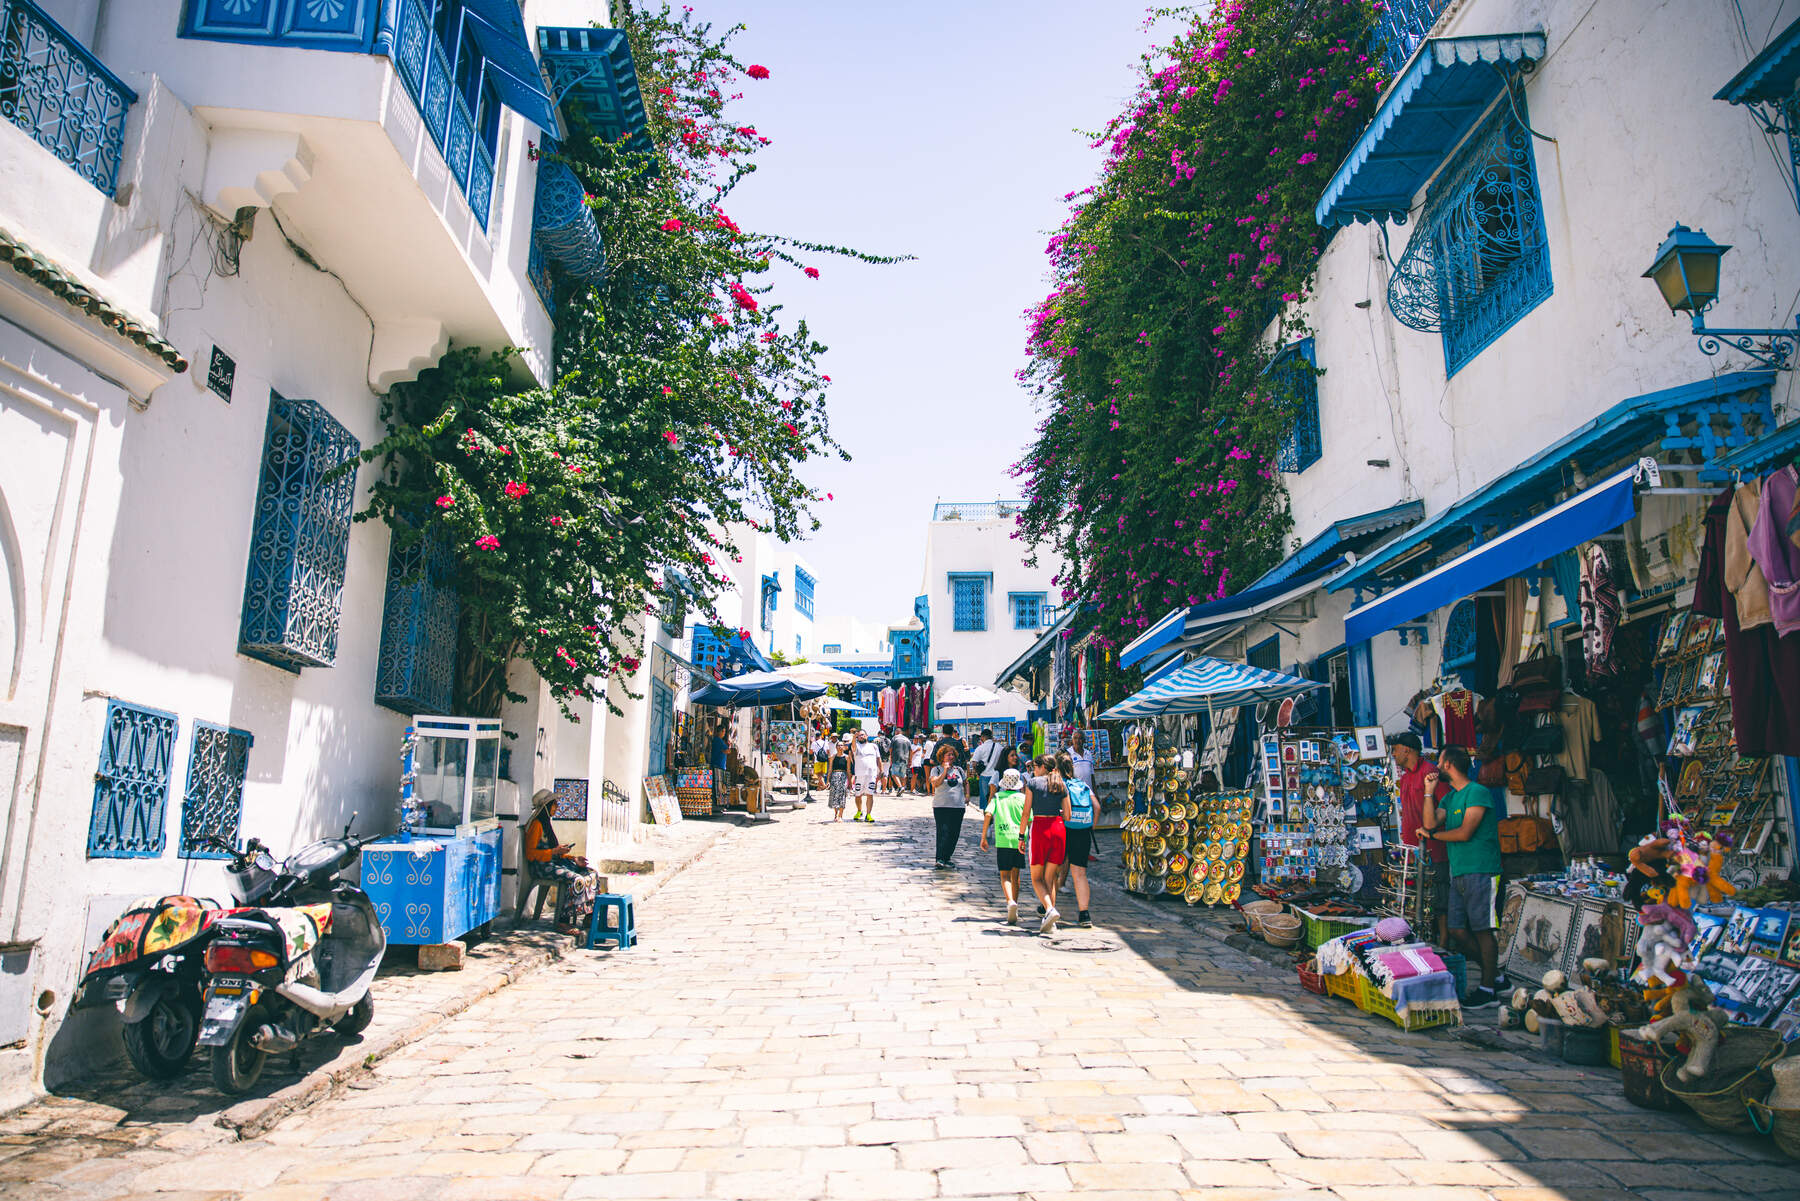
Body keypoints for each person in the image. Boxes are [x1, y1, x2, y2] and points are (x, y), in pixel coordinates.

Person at [1419, 745, 1505, 1007]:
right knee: (1457, 929)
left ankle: (1488, 988)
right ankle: (1496, 975)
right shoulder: (1450, 797)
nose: (1436, 765)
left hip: (1481, 868)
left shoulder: (1477, 792)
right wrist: (1428, 793)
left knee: (1482, 930)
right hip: (1460, 871)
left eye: (1440, 760)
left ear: (1448, 765)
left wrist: (1432, 836)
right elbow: (1430, 823)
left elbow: (1464, 833)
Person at [1391, 731, 1451, 947]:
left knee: (1439, 894)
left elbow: (1445, 806)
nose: (1394, 754)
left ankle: (1444, 939)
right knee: (1418, 895)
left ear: (1407, 750)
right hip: (1411, 848)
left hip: (1434, 846)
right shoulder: (1405, 778)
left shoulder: (1430, 773)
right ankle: (1425, 937)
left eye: (1396, 750)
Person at [522, 789, 600, 935]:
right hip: (541, 866)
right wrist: (554, 852)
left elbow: (555, 851)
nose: (557, 807)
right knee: (576, 879)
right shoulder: (536, 825)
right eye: (554, 804)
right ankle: (563, 921)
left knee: (591, 874)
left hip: (553, 862)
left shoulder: (546, 824)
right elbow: (531, 853)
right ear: (546, 806)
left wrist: (574, 859)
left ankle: (590, 916)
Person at [1025, 754, 1070, 933]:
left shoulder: (1033, 784)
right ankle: (1051, 921)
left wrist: (1021, 835)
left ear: (1043, 766)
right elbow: (1068, 815)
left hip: (1040, 828)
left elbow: (1026, 812)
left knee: (1036, 878)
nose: (1033, 770)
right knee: (1050, 879)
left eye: (1035, 766)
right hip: (1058, 828)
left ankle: (1050, 910)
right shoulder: (1060, 784)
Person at [982, 767, 1029, 923]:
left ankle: (1010, 902)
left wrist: (984, 837)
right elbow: (1029, 818)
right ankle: (1015, 903)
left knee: (1004, 875)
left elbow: (988, 813)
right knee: (1016, 875)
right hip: (1019, 840)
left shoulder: (998, 797)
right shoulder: (1023, 798)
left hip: (1003, 839)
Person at [1058, 751, 1097, 928]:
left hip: (1064, 830)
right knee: (1080, 874)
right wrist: (1091, 826)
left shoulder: (1059, 785)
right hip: (1083, 830)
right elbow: (1097, 806)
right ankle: (1084, 913)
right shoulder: (1082, 785)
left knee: (1052, 872)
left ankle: (1047, 906)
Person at [928, 742, 969, 869]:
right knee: (943, 832)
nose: (950, 757)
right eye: (948, 755)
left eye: (952, 755)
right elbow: (936, 783)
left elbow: (966, 783)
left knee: (954, 833)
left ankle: (948, 857)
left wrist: (967, 795)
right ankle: (940, 858)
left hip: (957, 806)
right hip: (942, 806)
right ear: (942, 756)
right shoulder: (936, 769)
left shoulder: (959, 770)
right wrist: (945, 771)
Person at [850, 727, 882, 822]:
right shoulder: (856, 746)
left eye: (862, 735)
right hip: (859, 774)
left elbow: (878, 759)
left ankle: (868, 814)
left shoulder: (874, 746)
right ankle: (859, 811)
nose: (861, 737)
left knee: (870, 794)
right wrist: (854, 738)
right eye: (859, 735)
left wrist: (881, 770)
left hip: (871, 774)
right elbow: (853, 746)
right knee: (858, 794)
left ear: (867, 736)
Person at [970, 729, 1006, 812]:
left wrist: (978, 772)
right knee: (997, 798)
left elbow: (974, 763)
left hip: (984, 776)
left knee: (985, 801)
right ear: (991, 736)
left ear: (982, 737)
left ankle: (987, 820)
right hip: (997, 776)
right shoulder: (999, 747)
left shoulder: (980, 748)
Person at [826, 738, 851, 821]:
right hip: (834, 776)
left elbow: (848, 770)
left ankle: (840, 815)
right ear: (836, 747)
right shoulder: (832, 757)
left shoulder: (847, 757)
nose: (840, 747)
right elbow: (830, 769)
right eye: (838, 745)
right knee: (834, 795)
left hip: (843, 776)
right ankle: (836, 814)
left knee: (842, 795)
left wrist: (850, 782)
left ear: (844, 747)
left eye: (841, 745)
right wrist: (828, 781)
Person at [709, 719, 730, 811]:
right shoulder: (718, 740)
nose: (724, 733)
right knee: (719, 787)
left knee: (719, 786)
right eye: (723, 731)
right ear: (719, 732)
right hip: (718, 765)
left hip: (719, 765)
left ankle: (719, 804)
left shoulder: (718, 740)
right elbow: (726, 751)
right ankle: (718, 805)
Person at [887, 726, 912, 795]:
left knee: (894, 774)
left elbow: (890, 749)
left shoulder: (894, 738)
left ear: (896, 732)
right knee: (903, 775)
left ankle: (900, 787)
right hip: (905, 759)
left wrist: (891, 758)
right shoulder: (907, 739)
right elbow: (911, 750)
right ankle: (901, 790)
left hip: (896, 758)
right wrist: (910, 760)